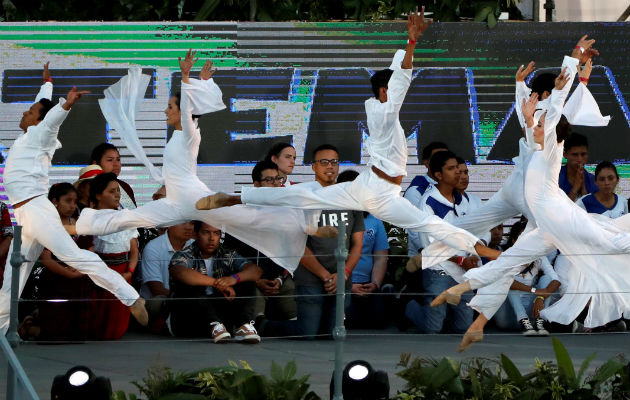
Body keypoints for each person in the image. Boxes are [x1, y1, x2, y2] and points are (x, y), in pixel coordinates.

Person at [197, 9, 500, 263]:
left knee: (303, 194)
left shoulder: (379, 108)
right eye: (393, 89)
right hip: (380, 190)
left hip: (370, 186)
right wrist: (411, 41)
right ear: (386, 91)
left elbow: (396, 74)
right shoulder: (384, 112)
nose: (400, 92)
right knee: (427, 222)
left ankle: (234, 197)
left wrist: (406, 47)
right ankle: (481, 249)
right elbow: (401, 77)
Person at [437, 40, 630, 351]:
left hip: (550, 211)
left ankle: (475, 315)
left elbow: (552, 111)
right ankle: (465, 299)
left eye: (538, 113)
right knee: (511, 259)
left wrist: (574, 64)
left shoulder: (547, 127)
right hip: (540, 209)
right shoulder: (536, 119)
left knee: (611, 241)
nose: (535, 118)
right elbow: (539, 112)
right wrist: (564, 76)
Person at [71, 53, 325, 276]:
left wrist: (186, 76)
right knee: (130, 217)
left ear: (182, 110)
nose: (165, 111)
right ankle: (74, 225)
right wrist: (202, 82)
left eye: (170, 106)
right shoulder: (176, 138)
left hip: (197, 200)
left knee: (249, 217)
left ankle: (306, 221)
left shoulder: (191, 134)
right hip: (174, 203)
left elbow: (188, 112)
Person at [0, 63, 147, 334]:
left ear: (38, 120)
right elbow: (40, 106)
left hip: (36, 210)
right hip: (25, 216)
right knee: (13, 275)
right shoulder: (29, 135)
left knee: (72, 255)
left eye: (30, 112)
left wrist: (65, 106)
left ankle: (130, 296)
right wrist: (47, 84)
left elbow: (50, 120)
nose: (24, 111)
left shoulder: (41, 134)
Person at [260, 151, 364, 339]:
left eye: (334, 162)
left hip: (341, 277)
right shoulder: (303, 198)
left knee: (332, 334)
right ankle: (264, 325)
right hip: (311, 276)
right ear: (314, 167)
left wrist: (344, 273)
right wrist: (325, 276)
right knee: (306, 333)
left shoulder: (351, 199)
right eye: (323, 162)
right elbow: (296, 243)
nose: (329, 166)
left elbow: (357, 244)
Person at [404, 151, 479, 333]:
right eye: (451, 169)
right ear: (438, 175)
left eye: (459, 169)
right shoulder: (428, 202)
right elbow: (429, 246)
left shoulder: (463, 201)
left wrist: (471, 256)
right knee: (433, 328)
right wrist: (461, 260)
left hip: (462, 272)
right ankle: (411, 310)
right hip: (439, 271)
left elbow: (470, 233)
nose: (458, 173)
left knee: (463, 326)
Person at [223, 160, 296, 322]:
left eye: (278, 179)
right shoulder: (239, 215)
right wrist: (256, 280)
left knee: (300, 322)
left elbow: (293, 252)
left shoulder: (288, 214)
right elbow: (229, 254)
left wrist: (279, 278)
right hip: (250, 281)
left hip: (280, 280)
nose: (276, 184)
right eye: (269, 180)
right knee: (256, 320)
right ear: (256, 185)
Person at [169, 221, 262, 343]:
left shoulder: (227, 254)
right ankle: (214, 325)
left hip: (221, 319)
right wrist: (216, 283)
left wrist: (233, 279)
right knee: (190, 285)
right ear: (195, 234)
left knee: (246, 282)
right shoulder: (184, 254)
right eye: (206, 233)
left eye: (216, 233)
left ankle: (243, 326)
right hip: (189, 318)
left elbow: (255, 271)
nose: (212, 238)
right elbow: (180, 272)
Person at [35, 183, 93, 341]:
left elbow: (90, 250)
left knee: (78, 333)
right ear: (54, 201)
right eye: (68, 201)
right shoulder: (46, 226)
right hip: (55, 280)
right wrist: (68, 273)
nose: (72, 205)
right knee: (55, 332)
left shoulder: (80, 224)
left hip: (80, 279)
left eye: (75, 202)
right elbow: (46, 258)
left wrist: (80, 271)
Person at [88, 173, 140, 340]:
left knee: (116, 326)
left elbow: (134, 251)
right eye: (112, 191)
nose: (117, 195)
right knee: (96, 320)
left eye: (118, 191)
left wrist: (129, 272)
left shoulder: (125, 219)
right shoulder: (89, 218)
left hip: (123, 273)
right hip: (100, 274)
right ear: (98, 195)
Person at [343, 169, 390, 329]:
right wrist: (349, 286)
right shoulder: (333, 218)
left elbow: (381, 257)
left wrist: (375, 283)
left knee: (379, 322)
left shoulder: (374, 220)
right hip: (342, 285)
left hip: (367, 284)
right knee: (349, 321)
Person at [139, 221, 194, 332]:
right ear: (170, 224)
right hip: (163, 301)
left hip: (186, 300)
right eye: (183, 223)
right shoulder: (153, 247)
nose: (189, 227)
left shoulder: (194, 245)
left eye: (192, 223)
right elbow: (156, 289)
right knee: (158, 302)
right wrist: (186, 300)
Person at [89, 143, 137, 209]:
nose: (116, 164)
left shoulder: (125, 187)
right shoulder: (87, 187)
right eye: (110, 160)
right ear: (95, 164)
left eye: (118, 160)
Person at [559, 133, 598, 201]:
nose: (580, 159)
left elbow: (591, 209)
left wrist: (583, 188)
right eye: (575, 155)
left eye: (583, 154)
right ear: (565, 155)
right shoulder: (555, 178)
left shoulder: (594, 181)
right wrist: (575, 188)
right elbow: (557, 209)